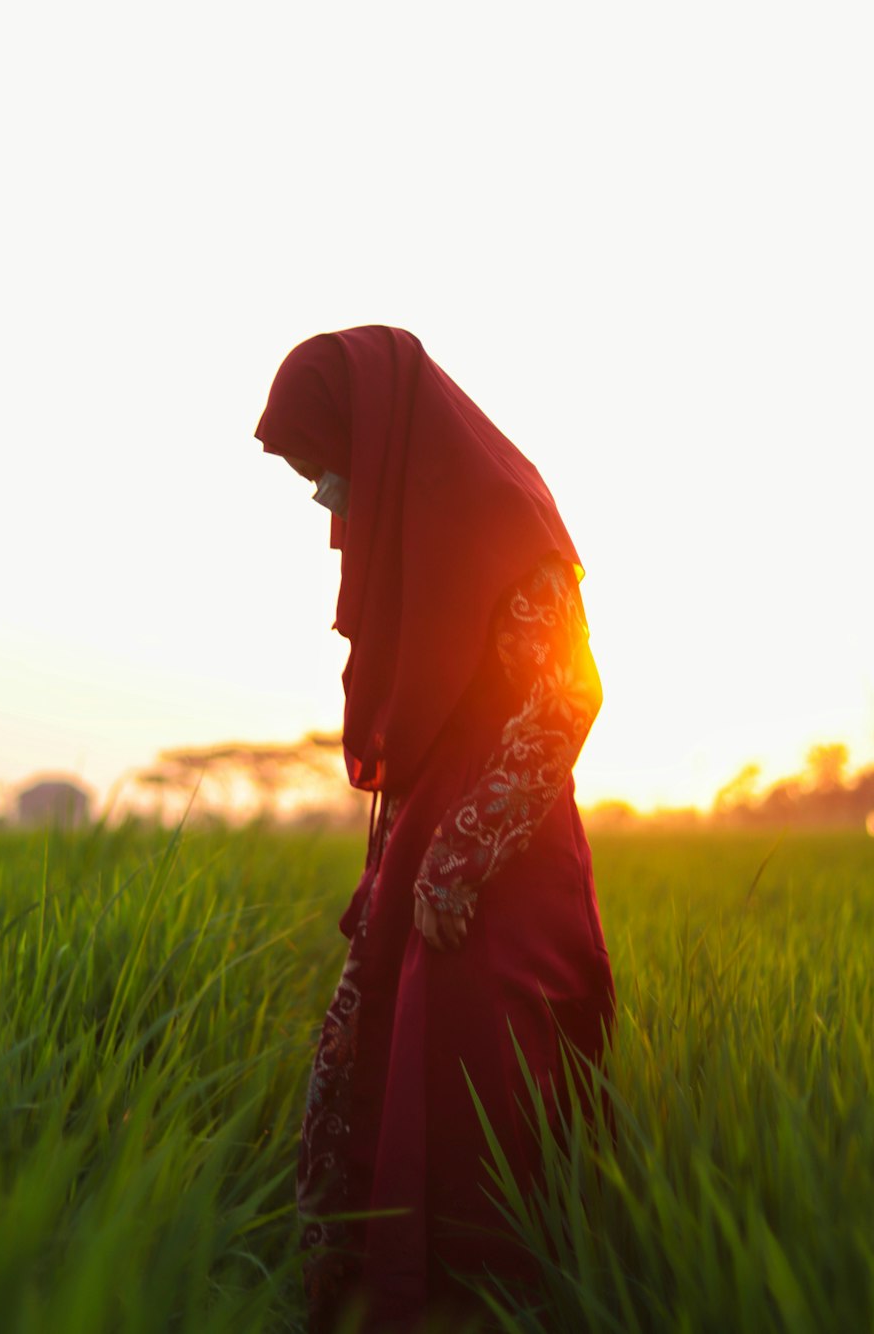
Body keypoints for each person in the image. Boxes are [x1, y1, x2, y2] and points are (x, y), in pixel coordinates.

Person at [255, 326, 615, 1333]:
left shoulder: (500, 514)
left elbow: (563, 700)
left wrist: (460, 857)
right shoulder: (421, 526)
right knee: (371, 1073)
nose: (325, 496)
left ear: (376, 437)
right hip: (425, 849)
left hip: (498, 866)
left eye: (326, 465)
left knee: (467, 1087)